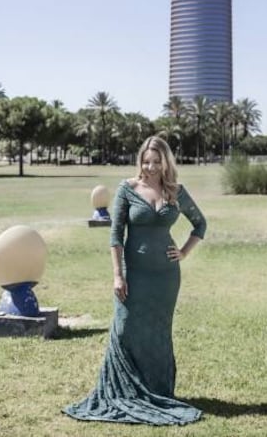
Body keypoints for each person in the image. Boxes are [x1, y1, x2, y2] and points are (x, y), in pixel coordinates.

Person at [63, 136, 207, 425]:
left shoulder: (176, 191)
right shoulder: (127, 189)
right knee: (126, 329)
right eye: (146, 161)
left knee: (158, 331)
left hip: (165, 277)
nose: (151, 167)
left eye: (157, 161)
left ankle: (157, 390)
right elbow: (116, 235)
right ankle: (124, 391)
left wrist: (183, 252)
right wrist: (118, 274)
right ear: (139, 160)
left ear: (166, 162)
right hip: (134, 274)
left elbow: (200, 223)